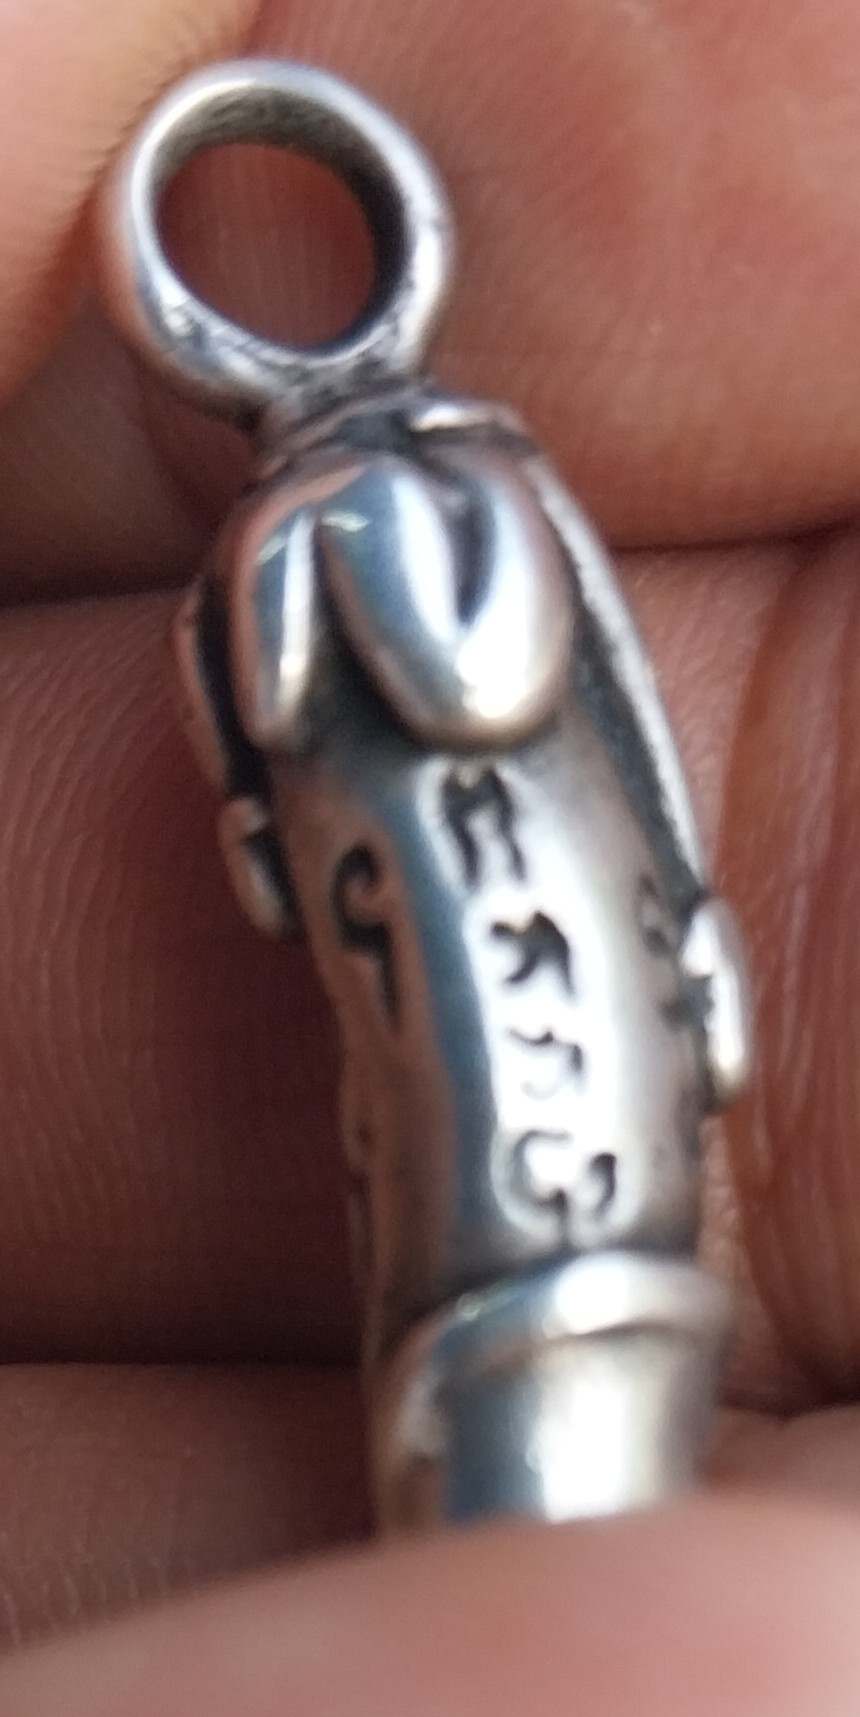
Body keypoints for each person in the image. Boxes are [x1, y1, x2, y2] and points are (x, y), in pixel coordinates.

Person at [0, 0, 858, 1708]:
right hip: (516, 987)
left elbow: (312, 785)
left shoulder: (318, 547)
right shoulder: (354, 539)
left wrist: (689, 934)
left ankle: (538, 1527)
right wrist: (690, 936)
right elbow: (313, 778)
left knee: (511, 1219)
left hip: (529, 987)